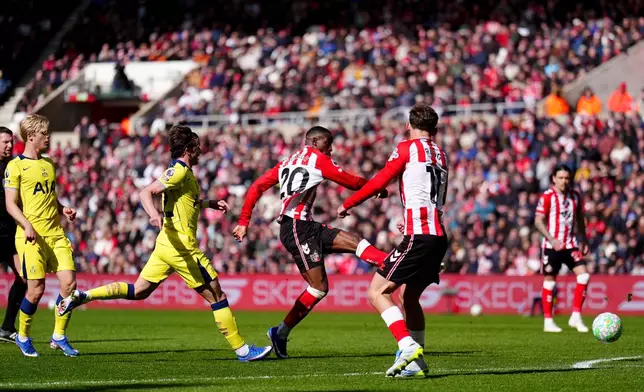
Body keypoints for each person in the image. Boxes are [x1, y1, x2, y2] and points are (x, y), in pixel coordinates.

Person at [58, 125, 272, 362]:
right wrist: (153, 214)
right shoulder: (179, 171)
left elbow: (185, 202)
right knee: (217, 296)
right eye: (198, 147)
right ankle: (242, 350)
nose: (201, 151)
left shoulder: (181, 173)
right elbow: (146, 192)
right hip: (181, 247)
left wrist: (209, 203)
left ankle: (83, 296)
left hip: (165, 245)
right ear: (189, 150)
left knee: (139, 291)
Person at [232, 126, 389, 359]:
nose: (332, 149)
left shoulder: (287, 161)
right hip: (296, 228)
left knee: (354, 241)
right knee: (319, 287)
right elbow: (350, 180)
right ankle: (280, 332)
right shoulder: (318, 159)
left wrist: (244, 220)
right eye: (329, 144)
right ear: (316, 142)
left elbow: (256, 187)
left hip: (305, 226)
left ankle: (394, 262)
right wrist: (375, 189)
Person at [337, 103, 449, 377]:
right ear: (434, 130)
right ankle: (417, 364)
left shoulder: (407, 147)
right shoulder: (441, 154)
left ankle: (406, 345)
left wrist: (348, 203)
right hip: (437, 235)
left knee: (377, 292)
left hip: (420, 234)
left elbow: (379, 182)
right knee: (408, 297)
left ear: (408, 126)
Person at [3, 115, 79, 357]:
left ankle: (59, 336)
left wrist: (62, 208)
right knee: (35, 289)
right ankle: (22, 336)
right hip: (30, 236)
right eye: (45, 133)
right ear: (32, 136)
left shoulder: (48, 164)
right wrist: (26, 225)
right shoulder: (15, 166)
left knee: (69, 284)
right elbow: (10, 204)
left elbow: (48, 197)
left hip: (55, 234)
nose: (48, 137)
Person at [534, 164, 590, 333]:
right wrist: (551, 238)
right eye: (560, 178)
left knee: (584, 276)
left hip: (570, 243)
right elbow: (538, 220)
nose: (564, 181)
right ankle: (548, 321)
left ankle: (575, 316)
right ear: (553, 178)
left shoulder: (575, 196)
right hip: (552, 245)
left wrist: (584, 239)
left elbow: (580, 219)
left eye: (567, 178)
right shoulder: (548, 196)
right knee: (550, 280)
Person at [0, 127, 27, 343]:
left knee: (24, 278)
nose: (9, 145)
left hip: (10, 235)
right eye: (5, 142)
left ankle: (7, 328)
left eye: (11, 142)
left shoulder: (16, 165)